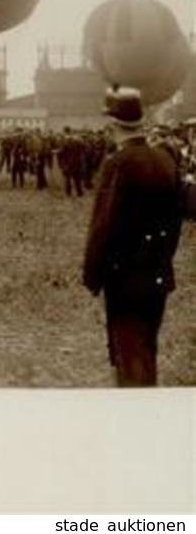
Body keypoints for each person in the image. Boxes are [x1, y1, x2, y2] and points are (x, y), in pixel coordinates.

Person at [82, 87, 183, 387]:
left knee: (129, 358)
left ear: (113, 125)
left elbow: (103, 225)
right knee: (147, 348)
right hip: (158, 275)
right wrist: (163, 257)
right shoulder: (166, 161)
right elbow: (175, 220)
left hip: (125, 278)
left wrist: (92, 275)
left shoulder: (118, 164)